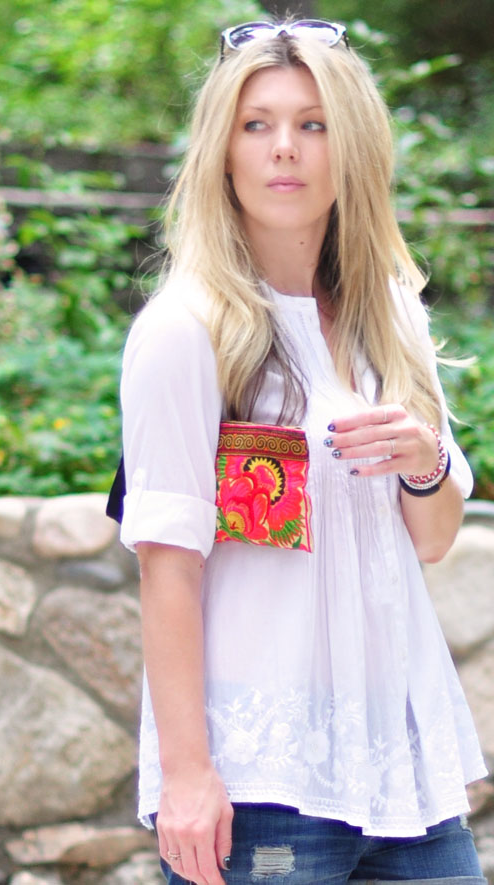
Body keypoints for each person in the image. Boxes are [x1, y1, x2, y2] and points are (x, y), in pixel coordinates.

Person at [117, 18, 487, 885]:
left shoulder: (388, 314)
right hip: (262, 779)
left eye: (313, 123)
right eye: (258, 124)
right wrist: (187, 774)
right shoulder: (188, 328)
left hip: (402, 773)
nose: (286, 148)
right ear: (223, 150)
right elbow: (168, 565)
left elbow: (432, 538)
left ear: (349, 145)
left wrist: (423, 458)